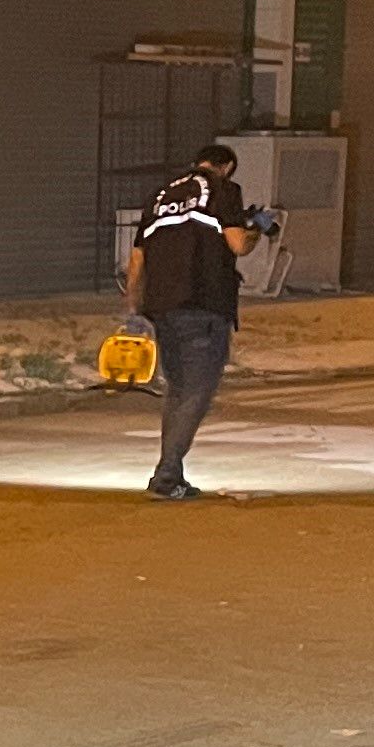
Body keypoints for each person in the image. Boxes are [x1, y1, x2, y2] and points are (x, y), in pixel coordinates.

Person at [126, 142, 265, 500]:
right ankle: (167, 474)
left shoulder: (161, 195)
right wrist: (257, 230)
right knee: (197, 393)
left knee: (178, 389)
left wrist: (134, 311)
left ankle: (173, 474)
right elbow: (237, 244)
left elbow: (138, 258)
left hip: (162, 307)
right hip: (203, 304)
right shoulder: (223, 189)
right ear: (226, 167)